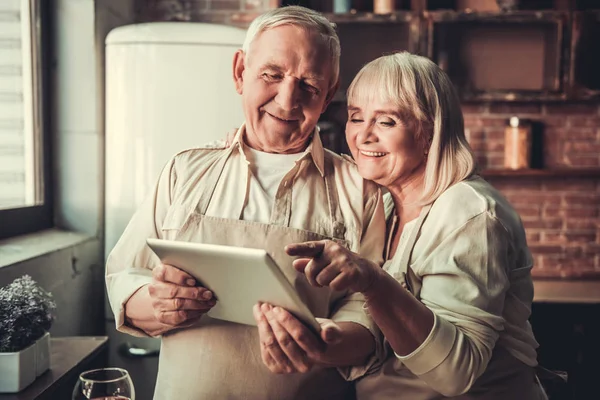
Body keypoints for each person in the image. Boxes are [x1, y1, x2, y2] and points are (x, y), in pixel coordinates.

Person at [105, 6, 386, 400]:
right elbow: (122, 276)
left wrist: (328, 342)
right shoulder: (183, 172)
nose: (287, 100)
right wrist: (155, 304)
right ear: (240, 72)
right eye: (271, 75)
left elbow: (371, 313)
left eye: (309, 84)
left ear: (329, 94)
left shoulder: (363, 191)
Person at [256, 52, 548, 399]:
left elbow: (457, 373)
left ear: (430, 131)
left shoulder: (468, 212)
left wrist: (373, 280)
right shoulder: (384, 204)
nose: (363, 136)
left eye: (386, 122)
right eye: (356, 117)